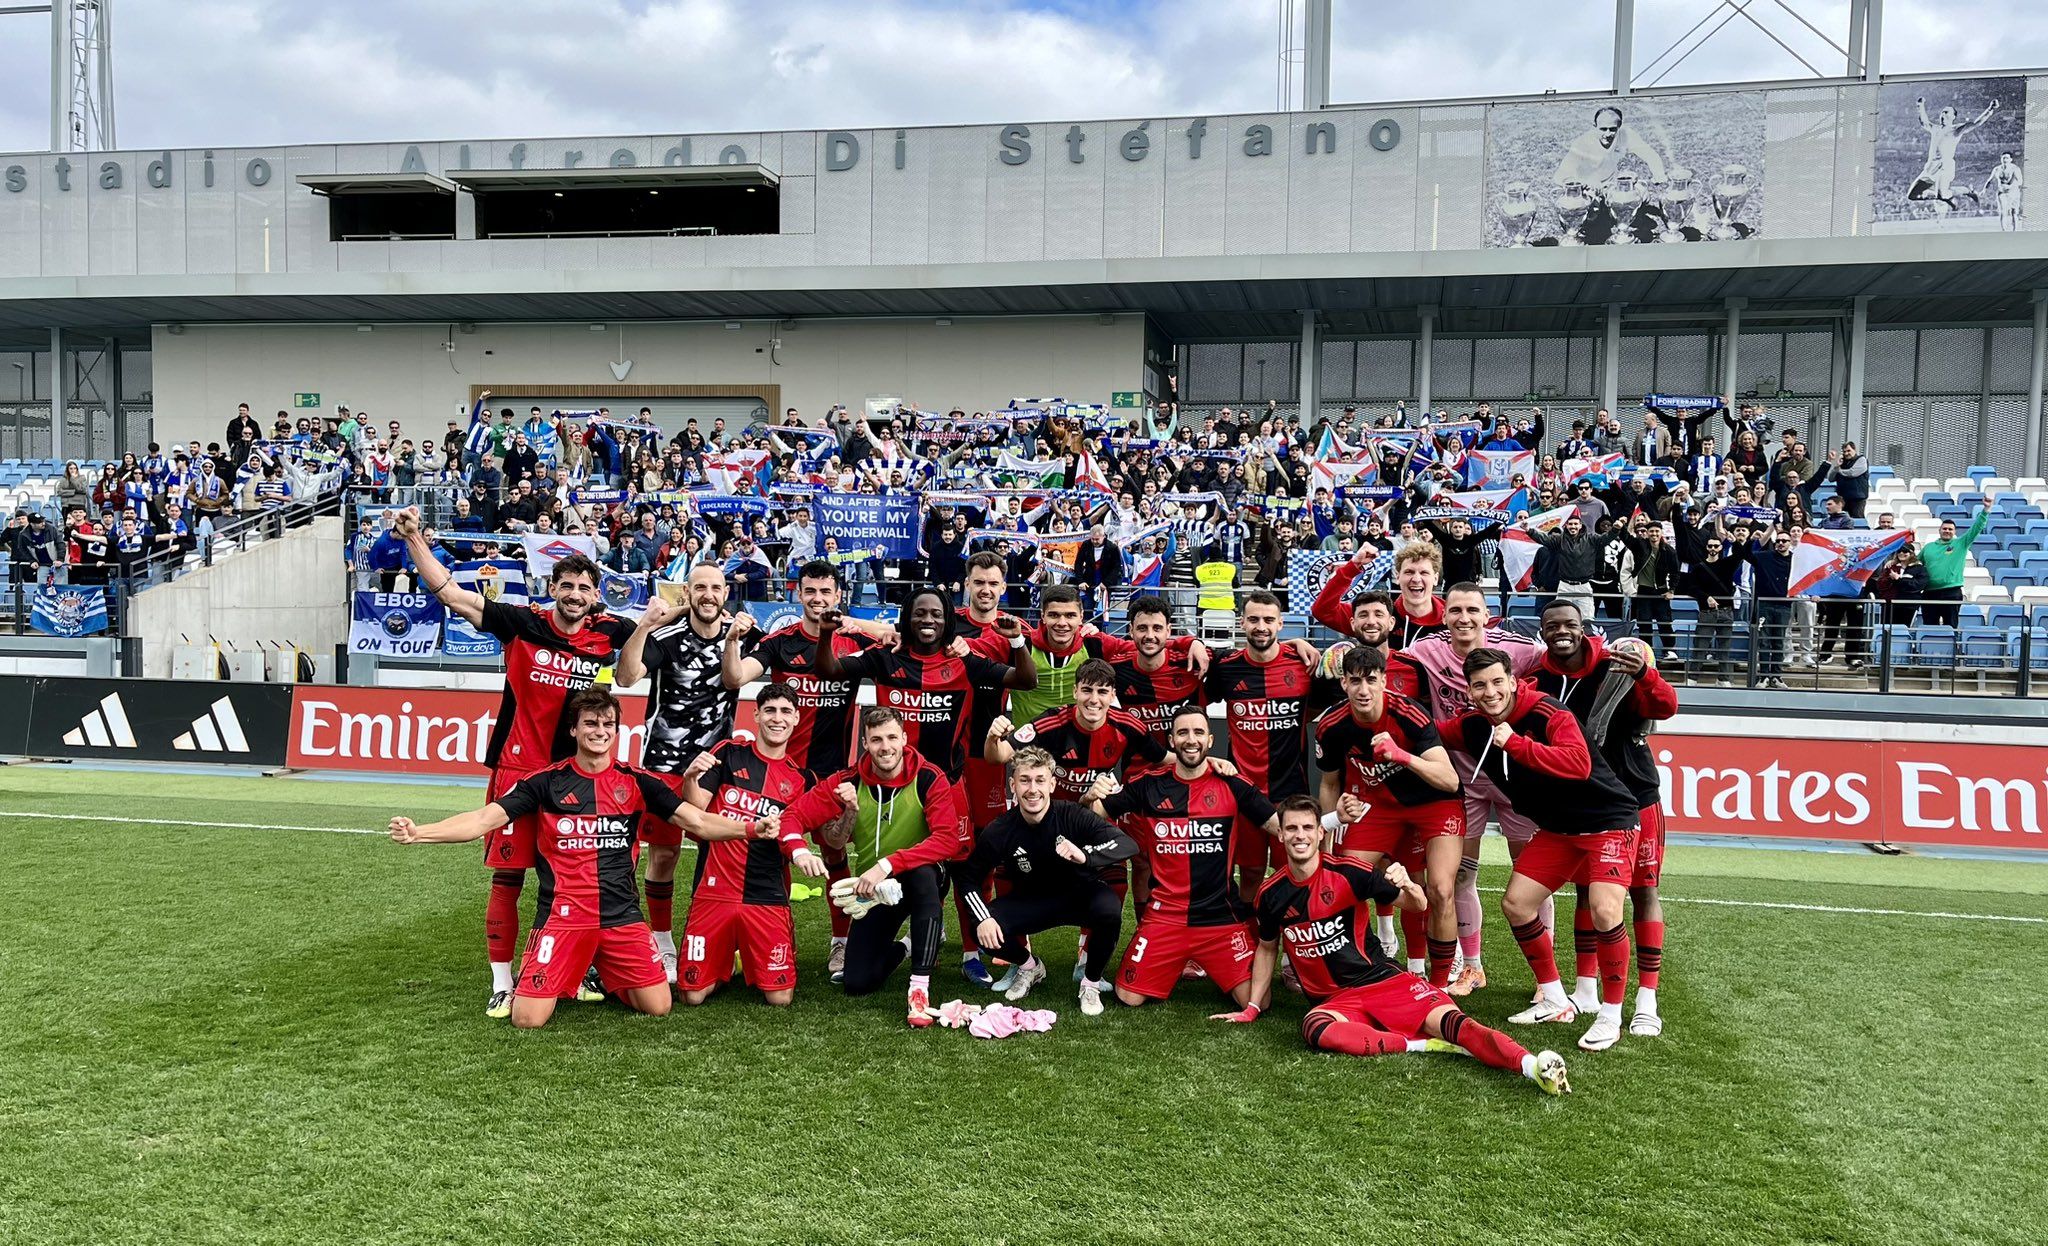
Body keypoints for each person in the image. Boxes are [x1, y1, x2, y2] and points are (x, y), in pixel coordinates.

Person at [387, 689, 776, 1028]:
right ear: (574, 729)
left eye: (608, 724)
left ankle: (600, 968)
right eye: (590, 723)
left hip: (621, 917)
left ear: (617, 732)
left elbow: (699, 822)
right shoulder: (546, 781)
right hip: (562, 918)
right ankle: (559, 966)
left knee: (659, 1007)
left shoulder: (637, 781)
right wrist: (420, 833)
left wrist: (751, 828)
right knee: (528, 1019)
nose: (600, 731)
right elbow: (481, 820)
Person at [396, 509, 635, 1017]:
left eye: (583, 588)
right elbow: (452, 594)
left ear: (596, 595)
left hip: (580, 778)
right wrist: (416, 538)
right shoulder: (521, 622)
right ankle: (503, 981)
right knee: (509, 878)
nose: (573, 595)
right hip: (519, 772)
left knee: (578, 876)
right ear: (553, 587)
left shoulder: (610, 633)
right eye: (565, 585)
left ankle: (577, 964)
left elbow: (642, 660)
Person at [1221, 798, 1569, 1096]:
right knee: (1315, 1029)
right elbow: (1267, 948)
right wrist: (1253, 1007)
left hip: (1386, 983)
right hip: (1335, 1002)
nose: (1300, 836)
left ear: (1320, 832)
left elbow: (1417, 906)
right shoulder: (1271, 893)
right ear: (1280, 834)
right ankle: (1419, 1044)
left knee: (1458, 1026)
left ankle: (1531, 1065)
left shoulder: (1350, 872)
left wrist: (1408, 884)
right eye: (1292, 829)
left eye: (1308, 828)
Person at [1438, 649, 1641, 1052]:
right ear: (1469, 691)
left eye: (1497, 681)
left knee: (1604, 909)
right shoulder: (1474, 726)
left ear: (1513, 680)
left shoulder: (1550, 713)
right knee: (1516, 904)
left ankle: (1611, 1015)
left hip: (1608, 822)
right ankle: (1553, 997)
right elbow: (1430, 731)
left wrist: (1515, 744)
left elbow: (1578, 764)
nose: (1490, 691)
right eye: (1480, 685)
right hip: (1558, 830)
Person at [718, 560, 892, 982]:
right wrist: (733, 641)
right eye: (810, 592)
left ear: (838, 596)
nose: (817, 600)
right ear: (799, 595)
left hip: (831, 774)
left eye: (825, 593)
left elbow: (893, 637)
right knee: (765, 851)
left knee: (834, 853)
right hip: (779, 774)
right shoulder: (780, 643)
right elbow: (736, 677)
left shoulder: (852, 645)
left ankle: (841, 942)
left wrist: (850, 623)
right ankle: (761, 940)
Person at [1529, 602, 1678, 1037]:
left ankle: (1647, 1000)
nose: (1561, 632)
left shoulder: (1618, 663)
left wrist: (1646, 674)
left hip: (1635, 795)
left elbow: (1666, 706)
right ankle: (1586, 989)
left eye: (1569, 625)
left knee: (1643, 891)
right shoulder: (1538, 679)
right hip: (1586, 801)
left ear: (1583, 629)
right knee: (1587, 893)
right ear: (1542, 633)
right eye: (1552, 626)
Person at [775, 708, 969, 1027]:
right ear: (865, 742)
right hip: (874, 890)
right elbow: (792, 817)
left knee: (922, 876)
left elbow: (947, 841)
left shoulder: (929, 776)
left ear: (904, 739)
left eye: (892, 737)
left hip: (923, 877)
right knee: (857, 982)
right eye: (876, 739)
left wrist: (887, 864)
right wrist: (799, 852)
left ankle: (919, 990)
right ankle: (909, 946)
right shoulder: (848, 781)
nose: (885, 746)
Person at [1402, 583, 1546, 996]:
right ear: (1443, 616)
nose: (1464, 618)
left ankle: (1544, 979)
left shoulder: (1516, 649)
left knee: (1532, 874)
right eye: (1455, 611)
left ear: (1488, 616)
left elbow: (1562, 650)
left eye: (1472, 610)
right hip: (1463, 782)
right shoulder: (1427, 650)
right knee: (1462, 875)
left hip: (1517, 777)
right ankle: (1472, 967)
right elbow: (1382, 654)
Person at [614, 565, 753, 981]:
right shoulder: (666, 638)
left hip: (716, 769)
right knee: (665, 855)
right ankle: (662, 942)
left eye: (715, 587)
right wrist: (645, 624)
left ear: (726, 592)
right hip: (664, 766)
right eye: (700, 588)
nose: (708, 595)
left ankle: (713, 940)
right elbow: (625, 676)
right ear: (687, 593)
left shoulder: (743, 636)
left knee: (719, 857)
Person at [1091, 705, 1279, 1010]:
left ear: (1210, 740)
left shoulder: (1232, 783)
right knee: (1129, 997)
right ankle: (1172, 961)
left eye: (1198, 732)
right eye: (1183, 733)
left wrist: (1334, 820)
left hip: (1220, 918)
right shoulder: (1148, 783)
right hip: (1166, 916)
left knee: (1257, 1001)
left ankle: (1219, 967)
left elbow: (1280, 826)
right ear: (1171, 740)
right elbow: (1098, 813)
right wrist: (1091, 795)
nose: (1191, 739)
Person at [1314, 645, 1463, 987]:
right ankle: (1359, 965)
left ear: (1384, 680)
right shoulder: (1332, 726)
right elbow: (1329, 782)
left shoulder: (1409, 713)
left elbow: (1450, 779)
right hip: (1378, 807)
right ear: (1343, 684)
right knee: (1344, 883)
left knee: (1441, 889)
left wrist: (1401, 756)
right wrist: (1331, 819)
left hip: (1434, 803)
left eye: (1370, 680)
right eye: (1355, 681)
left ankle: (1439, 984)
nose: (1363, 689)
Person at [952, 747, 1138, 1017]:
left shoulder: (1072, 814)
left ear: (1051, 784)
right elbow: (968, 878)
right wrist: (983, 918)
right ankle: (1030, 966)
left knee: (1109, 909)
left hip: (1080, 898)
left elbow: (1126, 844)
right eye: (1024, 780)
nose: (1032, 789)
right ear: (1012, 785)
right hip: (1031, 903)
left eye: (1040, 780)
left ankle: (1091, 982)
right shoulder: (1000, 829)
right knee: (978, 924)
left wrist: (1084, 855)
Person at [675, 684, 830, 1007]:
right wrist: (690, 778)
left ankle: (744, 951)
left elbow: (830, 837)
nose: (778, 718)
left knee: (780, 998)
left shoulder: (803, 780)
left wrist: (849, 811)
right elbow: (696, 810)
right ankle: (725, 959)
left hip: (766, 894)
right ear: (756, 715)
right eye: (770, 710)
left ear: (797, 718)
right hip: (713, 890)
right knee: (691, 994)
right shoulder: (729, 753)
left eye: (786, 711)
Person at [815, 588, 1036, 777]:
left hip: (946, 780)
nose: (928, 620)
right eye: (919, 613)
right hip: (891, 779)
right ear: (907, 620)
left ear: (946, 621)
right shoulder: (885, 655)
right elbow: (829, 671)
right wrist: (825, 635)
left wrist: (1016, 640)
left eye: (936, 614)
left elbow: (1026, 681)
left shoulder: (964, 660)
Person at [1204, 590, 1319, 900]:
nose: (1261, 626)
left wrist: (1300, 645)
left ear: (1281, 624)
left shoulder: (1303, 663)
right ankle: (1251, 942)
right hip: (1243, 794)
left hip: (1292, 792)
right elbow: (1197, 705)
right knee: (1251, 873)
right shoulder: (1225, 666)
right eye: (1253, 619)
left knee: (1296, 872)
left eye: (1269, 620)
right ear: (1242, 623)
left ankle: (1291, 947)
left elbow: (1327, 702)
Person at [1907, 96, 1998, 214]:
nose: (1942, 114)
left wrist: (1990, 109)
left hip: (1945, 165)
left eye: (1946, 112)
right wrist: (1920, 106)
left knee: (1942, 194)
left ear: (1953, 116)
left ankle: (1967, 191)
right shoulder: (1935, 128)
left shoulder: (1956, 129)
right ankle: (1945, 198)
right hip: (1930, 166)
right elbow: (1923, 122)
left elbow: (1976, 123)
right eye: (1942, 112)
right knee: (1912, 195)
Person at [1918, 499, 1988, 628]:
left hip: (1951, 592)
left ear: (1954, 532)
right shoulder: (1928, 547)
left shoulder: (1960, 544)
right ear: (1939, 530)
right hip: (1929, 592)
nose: (1947, 531)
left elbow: (1976, 528)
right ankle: (1929, 647)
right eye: (1944, 528)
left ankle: (1951, 648)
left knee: (1951, 626)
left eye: (1950, 529)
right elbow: (1915, 564)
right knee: (1929, 626)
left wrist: (1985, 511)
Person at [1985, 152, 2024, 230]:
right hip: (2002, 193)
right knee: (2003, 212)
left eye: (2007, 158)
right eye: (2003, 158)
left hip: (2014, 192)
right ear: (2001, 159)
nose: (2005, 160)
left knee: (2014, 212)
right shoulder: (1997, 169)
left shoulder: (2015, 169)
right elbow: (1990, 180)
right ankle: (2004, 230)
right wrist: (1984, 189)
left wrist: (2011, 186)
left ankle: (2015, 230)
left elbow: (2020, 181)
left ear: (2011, 159)